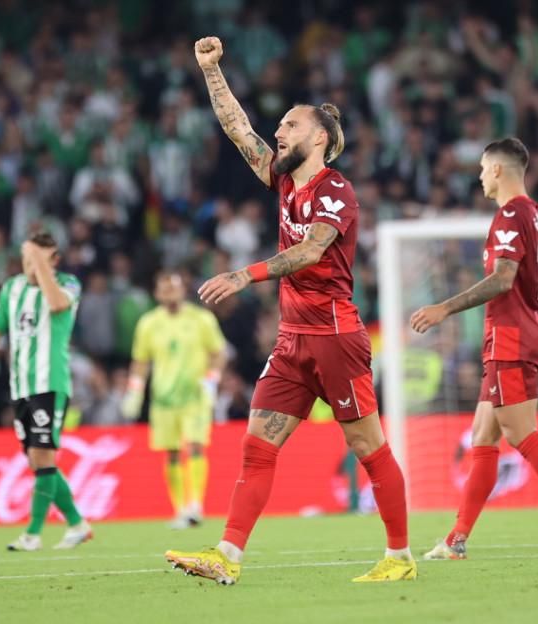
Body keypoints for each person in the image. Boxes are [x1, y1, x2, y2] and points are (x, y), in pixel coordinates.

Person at [165, 37, 414, 585]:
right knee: (256, 446)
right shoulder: (281, 178)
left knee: (368, 446)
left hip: (334, 337)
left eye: (289, 126)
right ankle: (227, 555)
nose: (277, 132)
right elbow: (237, 128)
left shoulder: (336, 191)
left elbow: (310, 251)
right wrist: (212, 71)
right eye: (278, 126)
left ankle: (401, 556)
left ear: (318, 138)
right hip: (292, 340)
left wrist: (242, 274)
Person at [410, 138, 538, 560]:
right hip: (531, 336)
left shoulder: (508, 216)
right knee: (484, 435)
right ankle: (456, 539)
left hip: (510, 338)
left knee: (521, 433)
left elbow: (502, 279)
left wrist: (444, 308)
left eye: (483, 169)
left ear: (498, 170)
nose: (480, 176)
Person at [0, 232, 91, 552]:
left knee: (43, 455)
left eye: (37, 259)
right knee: (38, 461)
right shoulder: (12, 288)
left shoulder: (68, 284)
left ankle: (32, 534)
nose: (29, 266)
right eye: (25, 259)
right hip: (20, 385)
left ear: (55, 261)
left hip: (50, 383)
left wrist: (40, 265)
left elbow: (57, 304)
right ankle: (77, 523)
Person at [121, 270, 226, 529]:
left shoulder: (201, 318)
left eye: (175, 287)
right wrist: (134, 391)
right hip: (163, 398)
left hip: (194, 395)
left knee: (195, 445)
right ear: (157, 293)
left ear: (184, 290)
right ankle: (180, 509)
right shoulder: (148, 323)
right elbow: (141, 361)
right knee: (172, 452)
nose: (170, 292)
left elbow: (218, 352)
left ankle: (196, 505)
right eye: (164, 288)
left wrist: (211, 380)